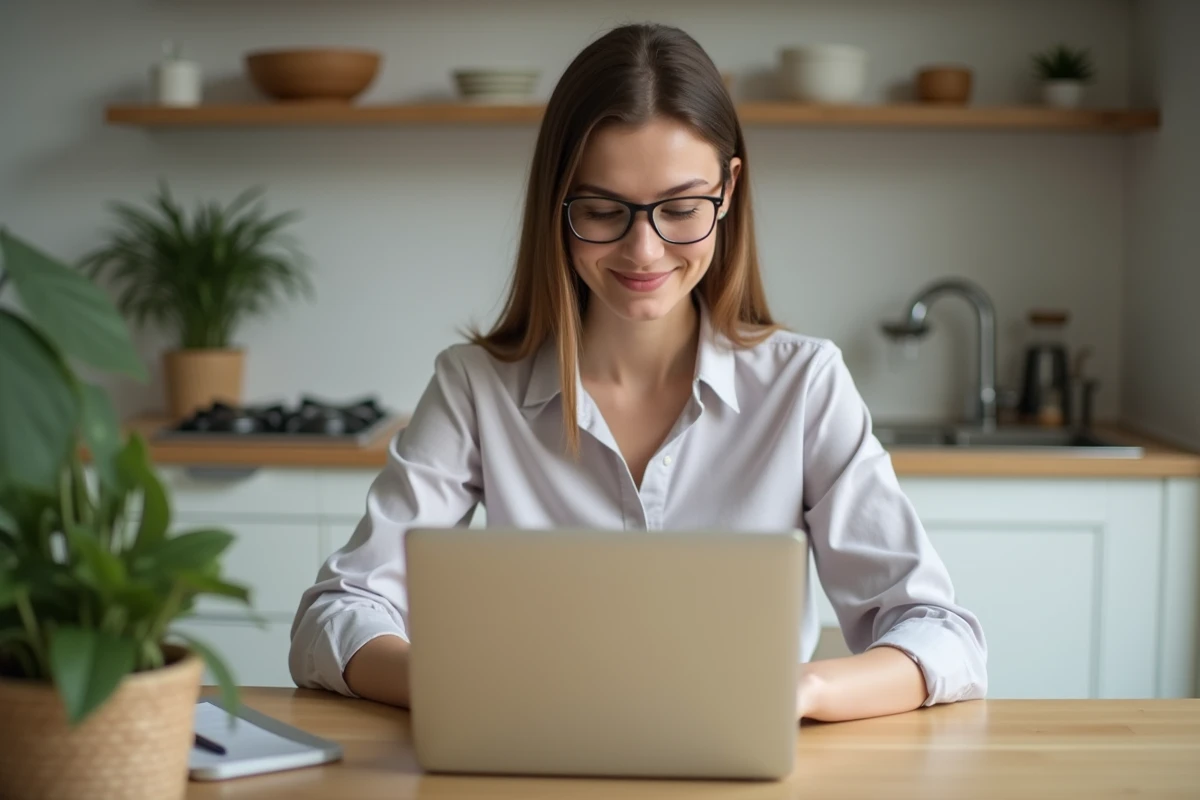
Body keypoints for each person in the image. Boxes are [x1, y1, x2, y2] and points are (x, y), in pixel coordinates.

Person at [289, 22, 987, 723]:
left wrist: (802, 691)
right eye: (601, 210)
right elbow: (335, 616)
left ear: (729, 189)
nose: (644, 251)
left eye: (682, 209)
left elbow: (942, 635)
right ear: (555, 205)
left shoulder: (804, 385)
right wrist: (462, 684)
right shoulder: (475, 388)